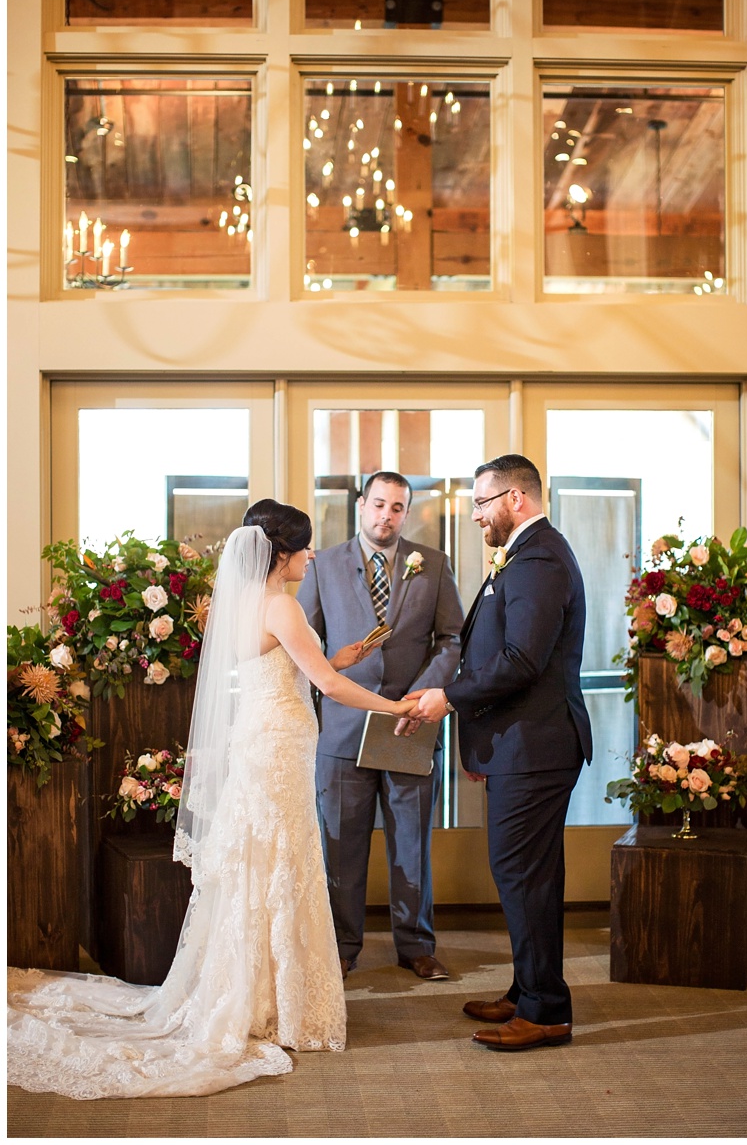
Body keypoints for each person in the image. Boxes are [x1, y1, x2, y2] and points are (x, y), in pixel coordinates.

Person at [7, 501, 417, 1099]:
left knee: (260, 864)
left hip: (261, 743)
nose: (310, 556)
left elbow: (295, 668)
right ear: (280, 555)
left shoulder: (242, 603)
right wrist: (398, 707)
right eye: (303, 548)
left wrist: (338, 656)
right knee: (281, 865)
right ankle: (276, 1005)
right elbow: (324, 686)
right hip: (278, 749)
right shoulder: (281, 603)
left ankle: (251, 996)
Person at [404, 455, 592, 1052]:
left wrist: (448, 700)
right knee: (525, 877)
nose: (476, 514)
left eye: (482, 503)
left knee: (523, 877)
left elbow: (520, 661)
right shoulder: (526, 555)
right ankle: (526, 990)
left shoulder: (538, 559)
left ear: (515, 499)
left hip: (535, 748)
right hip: (518, 745)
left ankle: (545, 1010)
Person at [298, 471, 465, 982]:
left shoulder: (432, 564)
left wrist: (421, 697)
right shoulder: (323, 565)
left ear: (406, 513)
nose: (385, 516)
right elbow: (303, 645)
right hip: (343, 728)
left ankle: (415, 945)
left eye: (396, 508)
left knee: (411, 843)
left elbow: (452, 638)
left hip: (409, 725)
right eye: (377, 505)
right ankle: (342, 948)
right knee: (341, 846)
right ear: (361, 506)